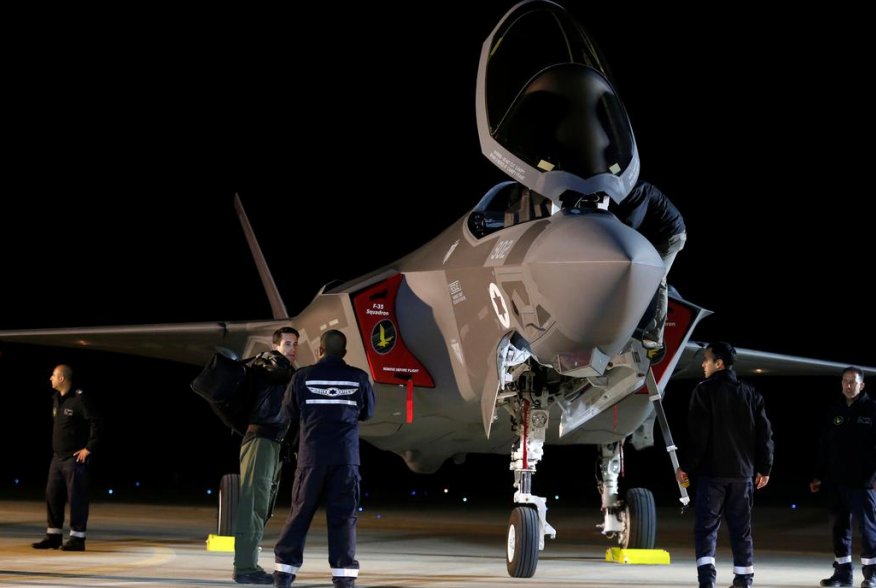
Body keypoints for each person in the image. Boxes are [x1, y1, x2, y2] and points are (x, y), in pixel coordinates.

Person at [273, 329, 375, 588]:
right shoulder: (359, 378)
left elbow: (289, 411)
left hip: (312, 458)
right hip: (345, 459)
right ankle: (344, 577)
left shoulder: (302, 376)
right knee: (343, 517)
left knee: (300, 514)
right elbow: (368, 413)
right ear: (344, 352)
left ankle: (284, 574)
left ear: (319, 350)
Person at [676, 342, 774, 588]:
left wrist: (686, 466)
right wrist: (765, 468)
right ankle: (744, 579)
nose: (703, 364)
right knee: (741, 531)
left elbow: (698, 435)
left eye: (706, 360)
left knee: (707, 530)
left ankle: (707, 581)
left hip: (713, 476)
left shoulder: (703, 391)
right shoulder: (752, 394)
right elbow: (765, 435)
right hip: (743, 476)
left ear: (718, 364)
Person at [233, 326, 300, 585]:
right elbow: (278, 371)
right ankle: (245, 567)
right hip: (260, 439)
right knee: (252, 503)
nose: (292, 349)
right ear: (275, 346)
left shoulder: (284, 369)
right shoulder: (269, 362)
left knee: (261, 505)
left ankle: (248, 564)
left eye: (295, 344)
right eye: (287, 344)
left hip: (273, 441)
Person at [810, 367, 876, 588]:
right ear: (841, 384)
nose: (849, 386)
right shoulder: (835, 410)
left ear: (862, 385)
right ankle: (843, 574)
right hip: (836, 481)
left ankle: (871, 575)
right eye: (845, 382)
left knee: (868, 529)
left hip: (864, 482)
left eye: (853, 382)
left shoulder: (872, 410)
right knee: (839, 528)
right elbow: (825, 445)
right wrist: (818, 475)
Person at [608, 180, 686, 351]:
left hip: (669, 238)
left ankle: (654, 335)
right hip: (654, 237)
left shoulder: (637, 191)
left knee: (656, 279)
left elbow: (628, 228)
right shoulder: (622, 193)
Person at [32, 364, 103, 552]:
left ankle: (77, 538)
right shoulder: (56, 399)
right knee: (52, 495)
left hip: (74, 459)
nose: (50, 378)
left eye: (53, 375)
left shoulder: (79, 399)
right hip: (57, 458)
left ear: (62, 379)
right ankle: (53, 536)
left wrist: (89, 448)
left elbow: (96, 422)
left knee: (77, 498)